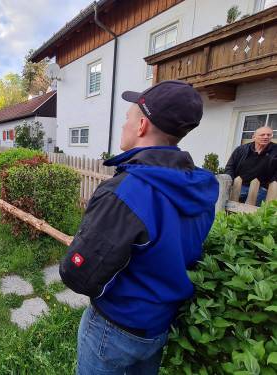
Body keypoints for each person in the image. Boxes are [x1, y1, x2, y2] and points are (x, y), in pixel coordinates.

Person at [59, 80, 219, 375]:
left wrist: (78, 252)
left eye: (128, 118)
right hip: (158, 326)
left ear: (142, 125)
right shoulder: (201, 187)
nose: (124, 125)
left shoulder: (124, 192)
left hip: (115, 327)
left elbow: (79, 275)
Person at [225, 126, 276, 206]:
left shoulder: (275, 151)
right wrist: (230, 182)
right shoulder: (241, 149)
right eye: (262, 135)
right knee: (232, 211)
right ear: (254, 137)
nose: (266, 137)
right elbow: (230, 167)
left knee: (253, 215)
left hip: (262, 190)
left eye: (269, 135)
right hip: (239, 187)